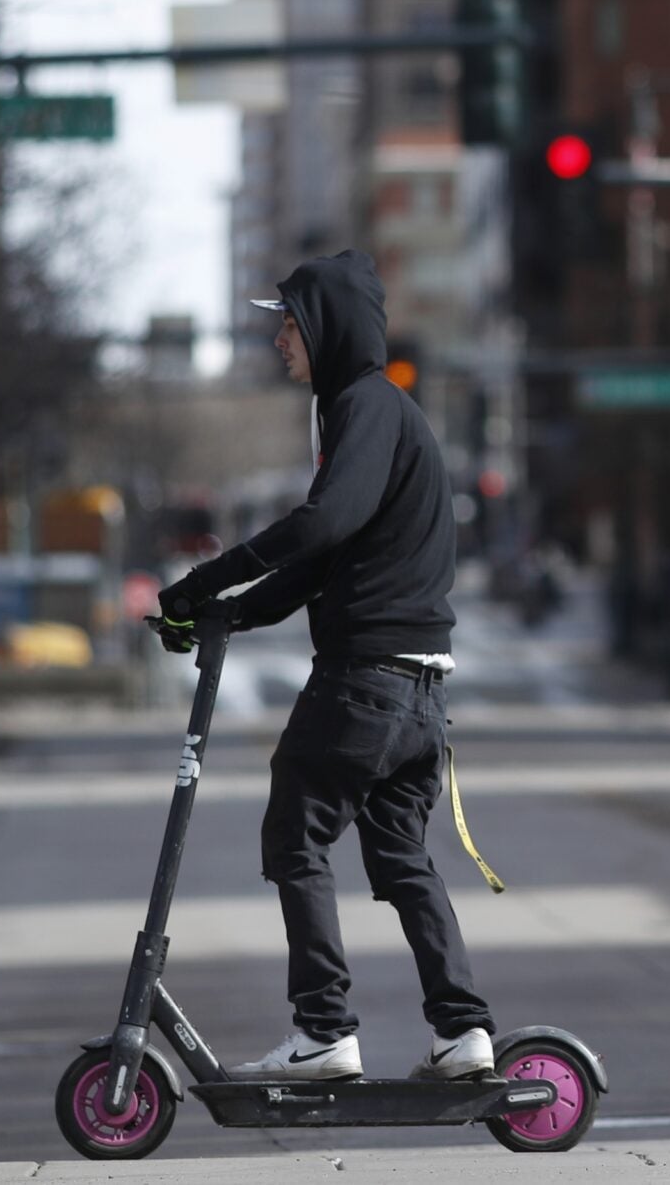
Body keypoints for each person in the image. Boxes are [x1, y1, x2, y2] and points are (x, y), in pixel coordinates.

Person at [155, 250, 497, 1084]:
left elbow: (320, 523)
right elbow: (327, 558)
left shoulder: (363, 406)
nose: (279, 338)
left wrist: (201, 579)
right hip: (417, 693)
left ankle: (323, 1029)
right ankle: (465, 1033)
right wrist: (226, 611)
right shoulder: (380, 414)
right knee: (400, 855)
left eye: (290, 321)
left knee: (294, 835)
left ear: (328, 326)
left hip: (367, 684)